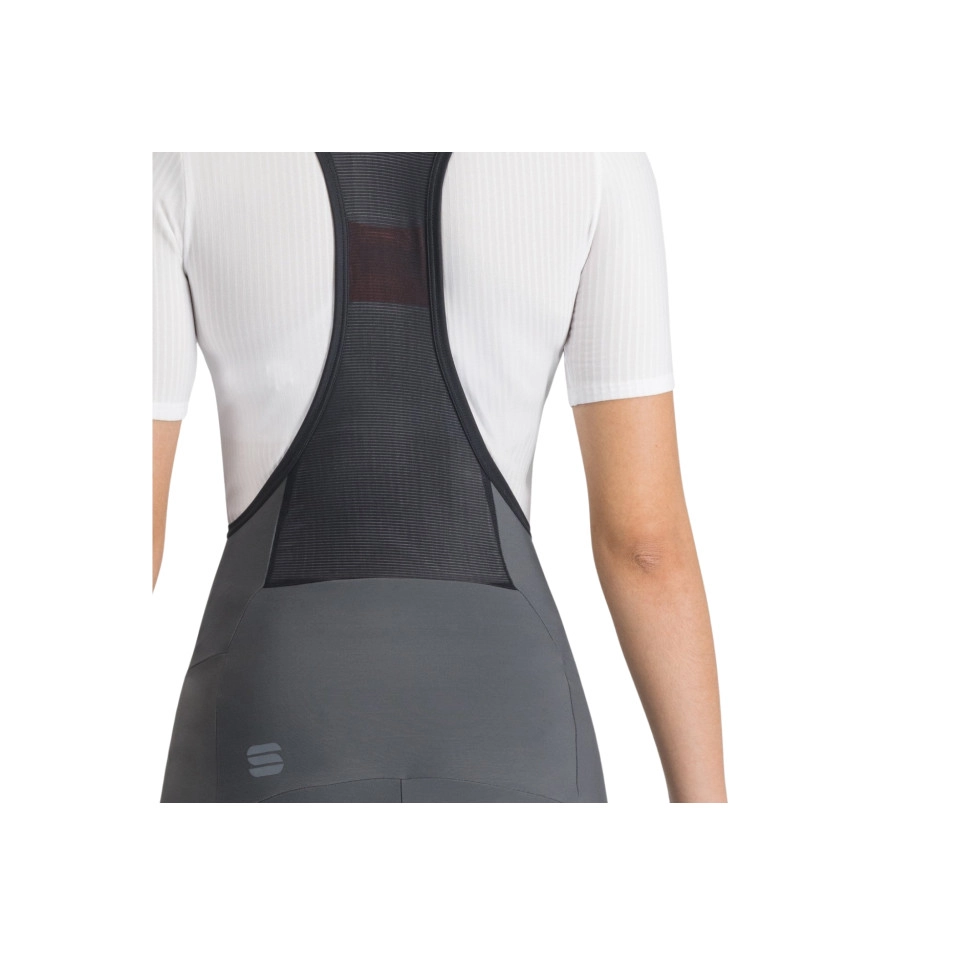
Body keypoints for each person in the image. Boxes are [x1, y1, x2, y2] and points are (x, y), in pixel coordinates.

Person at [153, 152, 727, 803]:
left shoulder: (187, 157)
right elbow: (645, 546)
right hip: (518, 726)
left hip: (272, 714)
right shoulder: (595, 159)